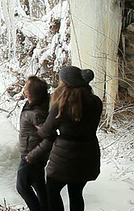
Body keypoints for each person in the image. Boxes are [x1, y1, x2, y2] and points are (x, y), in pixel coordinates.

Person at [38, 66, 103, 211]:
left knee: (52, 190)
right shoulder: (96, 102)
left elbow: (46, 131)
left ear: (65, 83)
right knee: (76, 193)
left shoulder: (61, 105)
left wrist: (39, 128)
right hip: (88, 154)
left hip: (64, 157)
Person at [16, 75, 52, 211]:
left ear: (30, 92)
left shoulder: (37, 113)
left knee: (22, 187)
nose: (24, 88)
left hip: (31, 156)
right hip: (32, 155)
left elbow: (50, 137)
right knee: (39, 185)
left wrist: (32, 155)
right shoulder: (32, 105)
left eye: (26, 86)